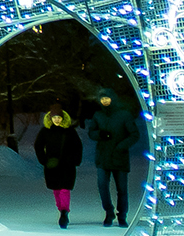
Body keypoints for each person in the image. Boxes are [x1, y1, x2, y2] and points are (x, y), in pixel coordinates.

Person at [89, 90, 139, 227]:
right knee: (102, 186)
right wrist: (100, 134)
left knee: (122, 189)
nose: (105, 101)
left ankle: (122, 215)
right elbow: (91, 132)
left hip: (119, 157)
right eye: (102, 99)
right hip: (103, 157)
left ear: (113, 99)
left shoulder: (124, 115)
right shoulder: (98, 115)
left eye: (107, 98)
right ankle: (109, 212)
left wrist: (121, 146)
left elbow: (134, 134)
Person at [33, 105, 83, 228]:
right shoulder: (46, 131)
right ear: (50, 118)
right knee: (56, 189)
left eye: (58, 117)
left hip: (67, 165)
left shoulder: (70, 131)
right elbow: (38, 145)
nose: (56, 120)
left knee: (65, 188)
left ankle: (64, 212)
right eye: (54, 117)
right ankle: (62, 210)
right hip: (52, 166)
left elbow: (78, 146)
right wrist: (44, 160)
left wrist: (75, 160)